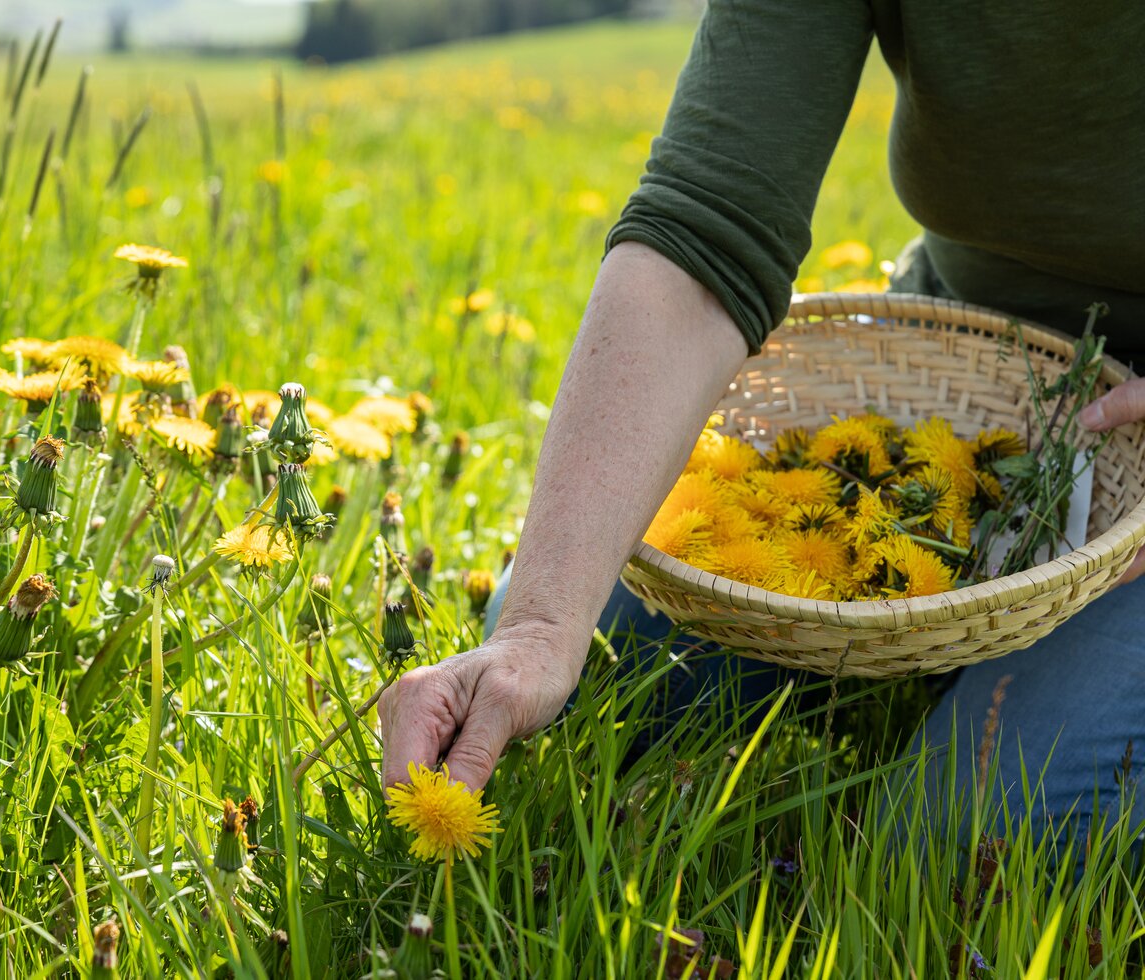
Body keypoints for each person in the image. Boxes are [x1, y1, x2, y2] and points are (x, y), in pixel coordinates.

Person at [378, 0, 1145, 841]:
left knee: (969, 845)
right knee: (589, 683)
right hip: (959, 396)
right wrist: (539, 628)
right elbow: (705, 231)